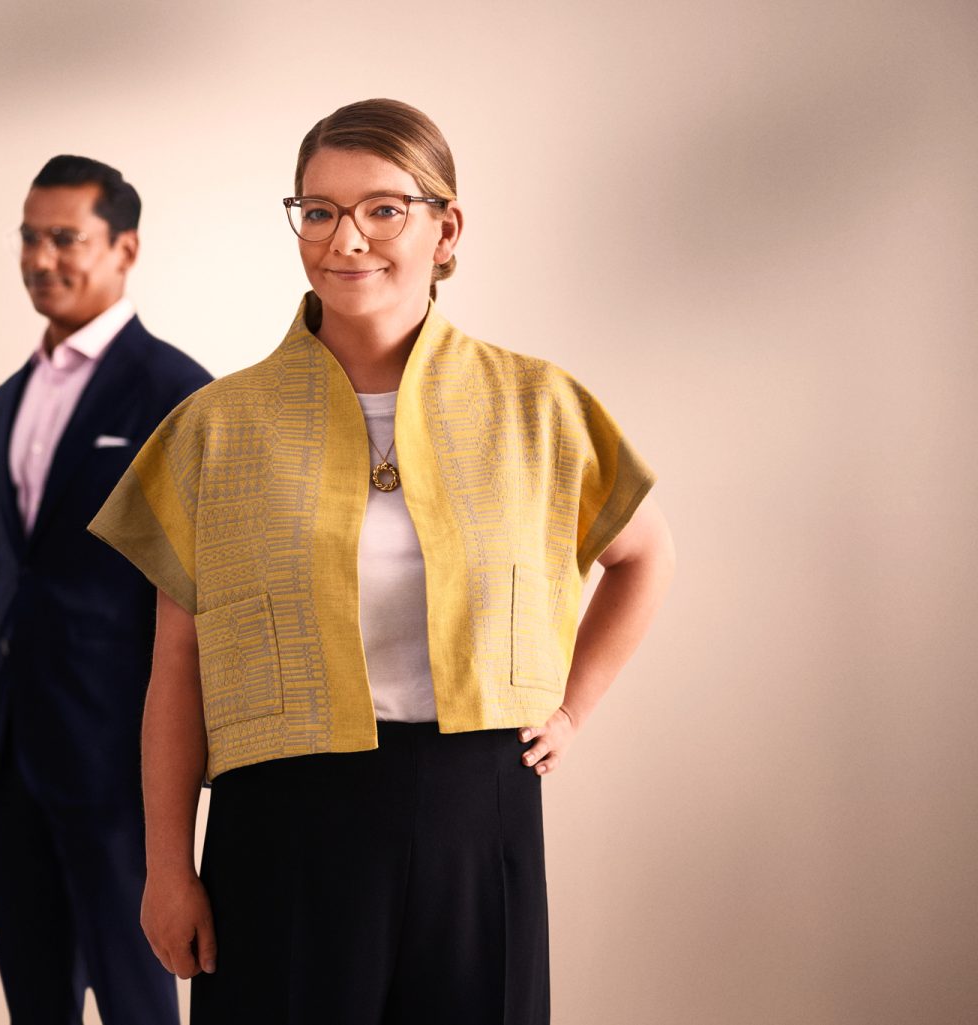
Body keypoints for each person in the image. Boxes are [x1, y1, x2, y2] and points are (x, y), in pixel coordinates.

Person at [88, 98, 677, 1023]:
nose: (346, 238)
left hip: (477, 812)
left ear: (447, 229)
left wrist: (569, 710)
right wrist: (168, 866)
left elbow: (644, 555)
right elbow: (176, 664)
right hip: (279, 821)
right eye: (319, 211)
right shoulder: (216, 427)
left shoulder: (536, 405)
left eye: (383, 209)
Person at [0, 155, 211, 1024]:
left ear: (125, 248)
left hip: (119, 766)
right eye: (29, 237)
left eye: (65, 238)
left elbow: (199, 595)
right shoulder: (4, 401)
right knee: (36, 1005)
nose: (40, 257)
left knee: (138, 1003)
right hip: (2, 765)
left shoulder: (179, 394)